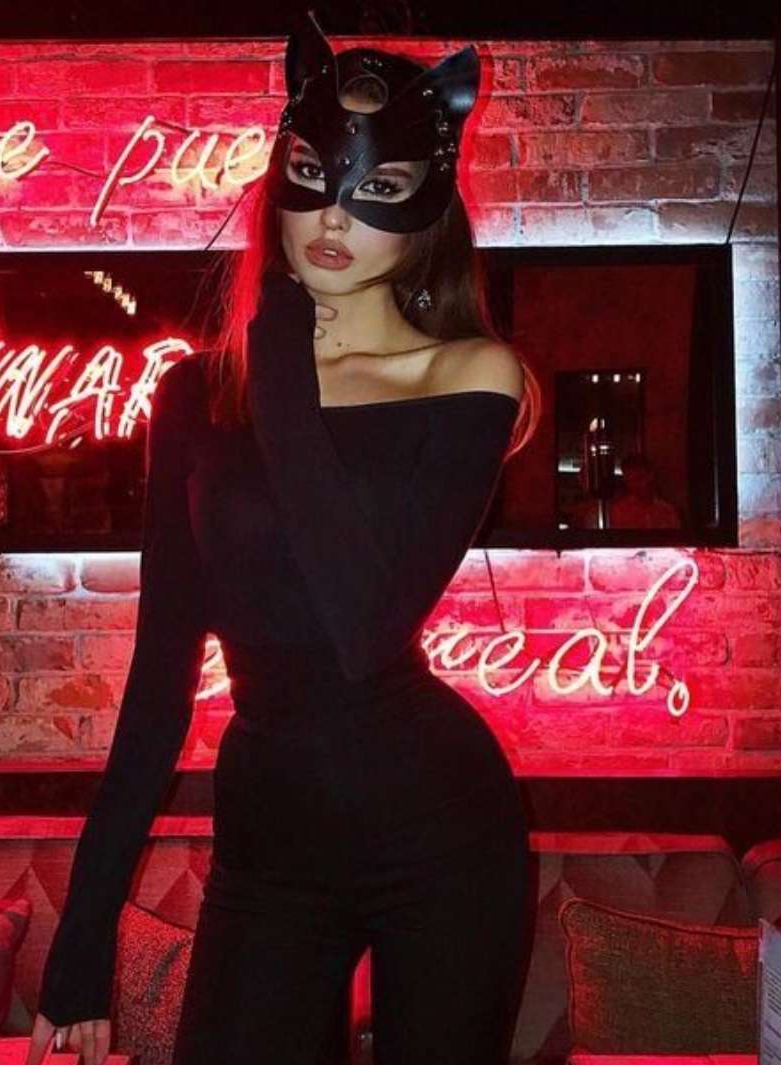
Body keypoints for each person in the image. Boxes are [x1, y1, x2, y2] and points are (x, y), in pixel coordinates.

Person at [27, 9, 539, 1064]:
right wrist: (82, 934)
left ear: (428, 205)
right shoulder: (196, 396)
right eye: (311, 174)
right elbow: (159, 680)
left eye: (378, 187)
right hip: (269, 843)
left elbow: (364, 623)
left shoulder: (468, 376)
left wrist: (282, 369)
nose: (334, 216)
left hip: (440, 835)